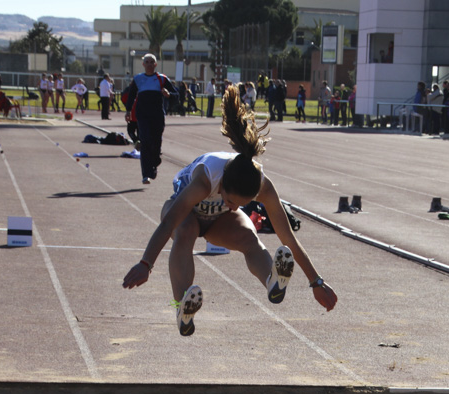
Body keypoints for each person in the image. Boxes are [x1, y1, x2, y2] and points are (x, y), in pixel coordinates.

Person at [121, 85, 337, 336]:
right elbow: (168, 223)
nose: (235, 207)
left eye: (242, 204)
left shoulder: (261, 184)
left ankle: (272, 281)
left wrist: (316, 281)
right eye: (232, 201)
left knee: (248, 236)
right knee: (186, 229)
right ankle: (182, 307)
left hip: (217, 222)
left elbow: (288, 237)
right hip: (184, 214)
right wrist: (146, 264)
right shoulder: (205, 179)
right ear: (221, 184)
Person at [125, 54, 177, 184]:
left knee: (156, 142)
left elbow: (177, 94)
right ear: (143, 64)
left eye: (151, 62)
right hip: (143, 115)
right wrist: (128, 111)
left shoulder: (162, 79)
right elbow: (130, 96)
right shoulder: (138, 79)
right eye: (146, 62)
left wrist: (169, 94)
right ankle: (146, 174)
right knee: (145, 141)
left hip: (157, 115)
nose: (149, 64)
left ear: (155, 64)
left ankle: (155, 162)